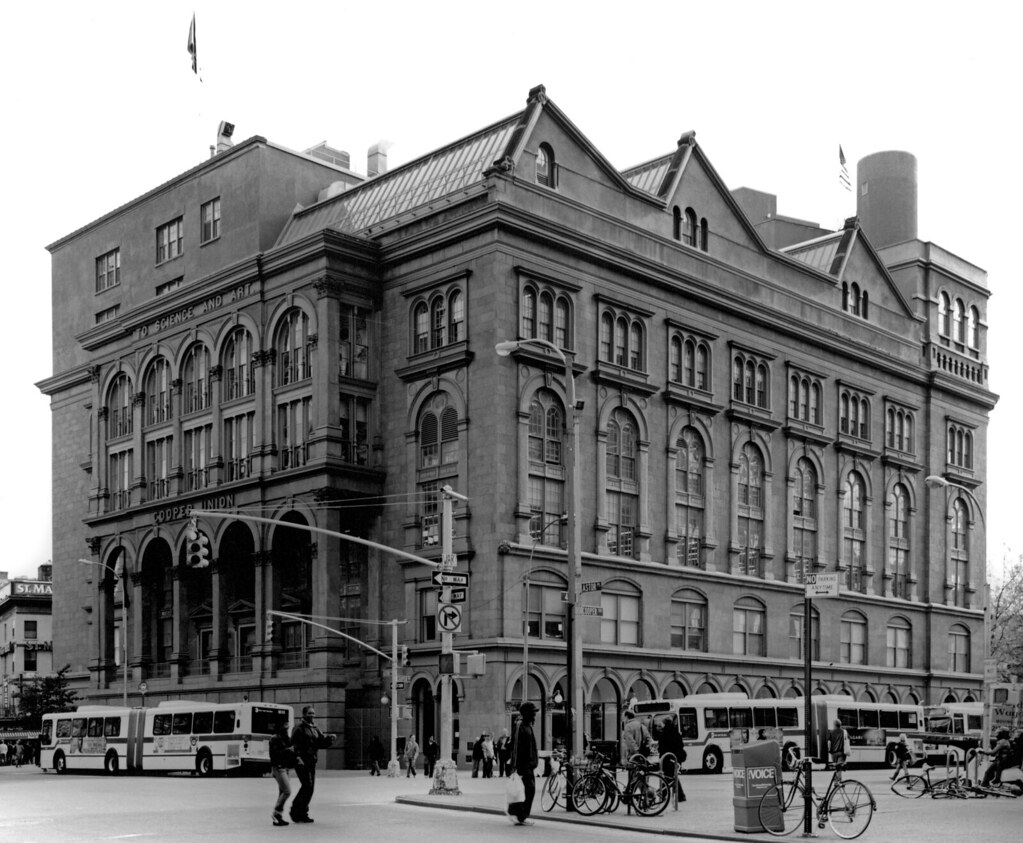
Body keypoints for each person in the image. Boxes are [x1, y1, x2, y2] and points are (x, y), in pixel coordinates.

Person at [290, 705, 335, 824]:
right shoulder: (298, 728)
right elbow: (294, 745)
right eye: (309, 713)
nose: (312, 715)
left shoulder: (314, 728)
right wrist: (297, 758)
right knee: (307, 786)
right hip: (302, 762)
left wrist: (329, 739)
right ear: (304, 714)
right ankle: (295, 811)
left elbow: (320, 743)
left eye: (313, 713)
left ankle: (302, 813)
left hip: (311, 761)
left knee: (310, 788)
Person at [509, 702, 538, 826]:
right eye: (532, 713)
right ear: (526, 714)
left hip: (529, 765)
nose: (534, 716)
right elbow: (515, 747)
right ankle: (521, 815)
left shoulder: (528, 726)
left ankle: (520, 814)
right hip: (523, 765)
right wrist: (515, 767)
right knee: (528, 789)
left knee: (529, 790)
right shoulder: (520, 726)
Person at [269, 722, 299, 826]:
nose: (287, 727)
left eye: (287, 725)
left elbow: (293, 751)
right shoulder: (274, 738)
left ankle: (278, 816)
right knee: (287, 791)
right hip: (278, 768)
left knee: (282, 792)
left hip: (285, 768)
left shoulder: (287, 738)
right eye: (285, 725)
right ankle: (276, 813)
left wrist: (296, 757)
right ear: (280, 727)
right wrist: (287, 750)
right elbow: (274, 755)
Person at [657, 718, 687, 802]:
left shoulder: (663, 734)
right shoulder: (676, 732)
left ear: (664, 724)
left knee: (669, 776)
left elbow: (662, 748)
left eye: (662, 723)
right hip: (676, 757)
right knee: (673, 775)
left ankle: (663, 793)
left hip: (667, 758)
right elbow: (681, 745)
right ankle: (680, 795)